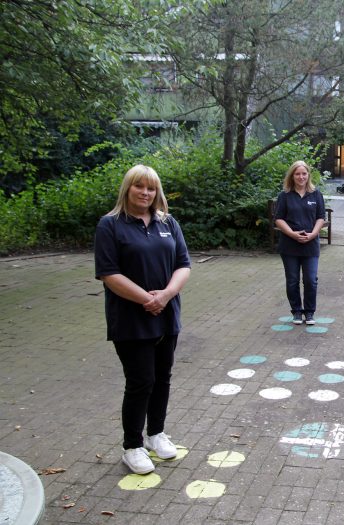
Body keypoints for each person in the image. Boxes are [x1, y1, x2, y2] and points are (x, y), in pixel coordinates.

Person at [94, 165, 191, 475]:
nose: (145, 193)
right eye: (139, 187)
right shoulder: (110, 225)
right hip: (131, 318)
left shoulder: (168, 222)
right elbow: (109, 273)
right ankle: (132, 446)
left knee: (162, 377)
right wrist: (146, 299)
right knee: (140, 382)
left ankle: (156, 434)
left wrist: (164, 296)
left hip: (166, 315)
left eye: (151, 188)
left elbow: (183, 265)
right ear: (128, 188)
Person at [274, 161, 326, 325]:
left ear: (308, 175)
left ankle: (309, 313)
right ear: (292, 176)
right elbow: (279, 219)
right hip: (290, 245)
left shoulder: (316, 194)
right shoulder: (285, 195)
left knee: (310, 279)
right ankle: (297, 311)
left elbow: (320, 217)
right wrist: (291, 234)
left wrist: (313, 234)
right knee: (292, 280)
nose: (301, 177)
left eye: (304, 173)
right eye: (297, 174)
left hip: (310, 245)